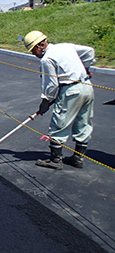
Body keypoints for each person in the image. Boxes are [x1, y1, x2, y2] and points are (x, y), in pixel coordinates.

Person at [24, 31, 95, 170]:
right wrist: (86, 68)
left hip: (70, 91)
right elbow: (89, 52)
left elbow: (51, 85)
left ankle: (56, 160)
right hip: (87, 87)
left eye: (33, 50)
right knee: (83, 122)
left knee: (60, 123)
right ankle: (78, 158)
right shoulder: (65, 46)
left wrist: (45, 102)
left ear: (41, 45)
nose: (34, 54)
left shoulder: (46, 59)